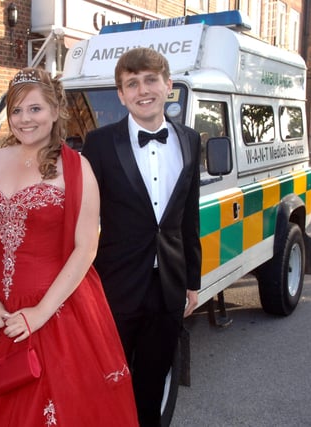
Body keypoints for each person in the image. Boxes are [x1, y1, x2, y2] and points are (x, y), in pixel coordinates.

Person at [0, 68, 139, 426]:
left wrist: (40, 313)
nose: (24, 119)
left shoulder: (77, 169)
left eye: (35, 109)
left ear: (56, 111)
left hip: (54, 312)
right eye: (16, 111)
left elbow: (86, 248)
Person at [81, 47, 202, 427]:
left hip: (168, 286)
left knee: (152, 386)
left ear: (168, 85)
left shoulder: (190, 140)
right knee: (107, 382)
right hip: (115, 287)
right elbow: (81, 218)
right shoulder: (99, 144)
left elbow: (189, 217)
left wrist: (192, 282)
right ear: (121, 94)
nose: (142, 90)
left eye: (151, 80)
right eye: (132, 83)